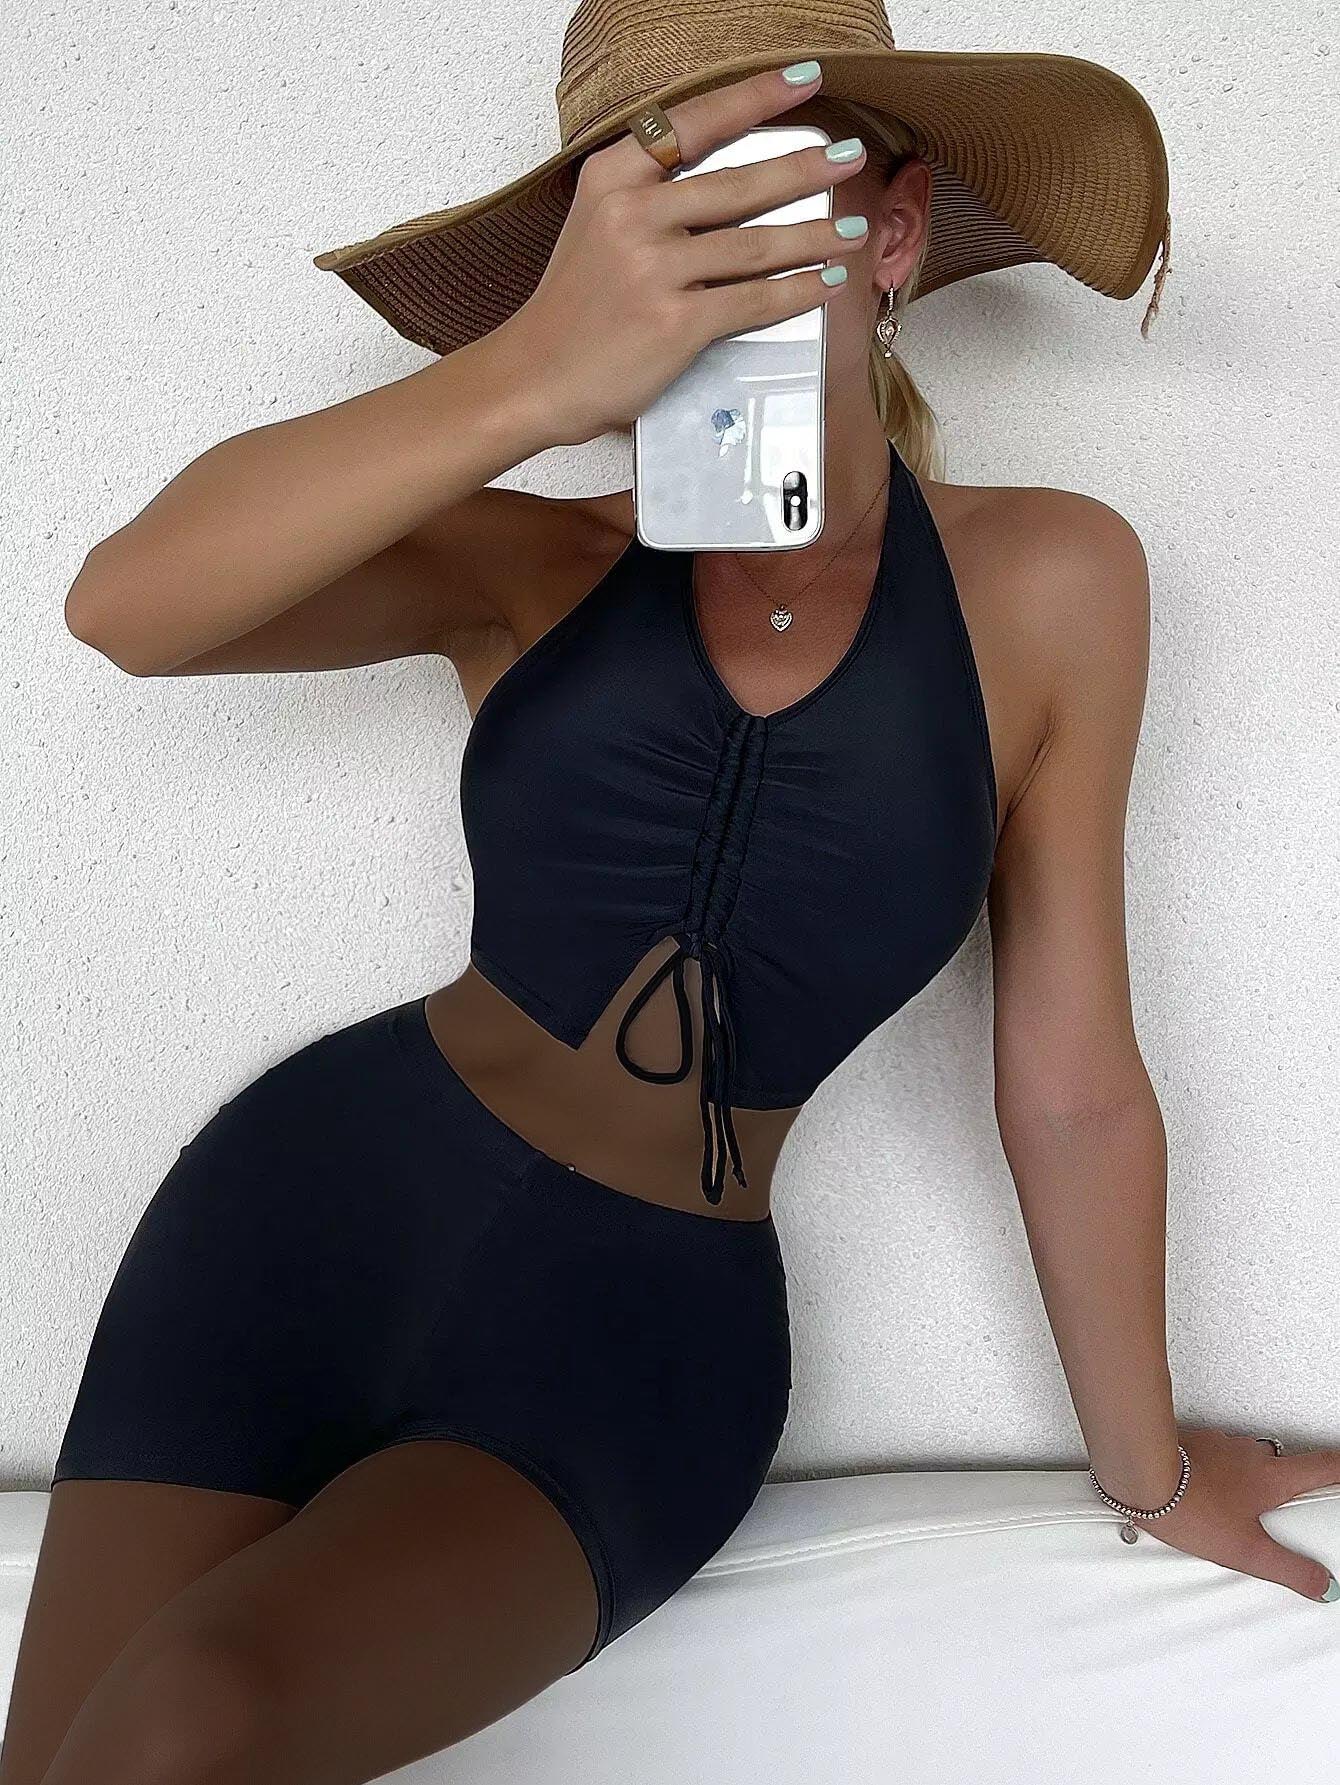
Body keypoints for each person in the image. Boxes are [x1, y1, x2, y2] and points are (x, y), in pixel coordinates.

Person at [6, 4, 1339, 1781]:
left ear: (891, 231)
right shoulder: (538, 561)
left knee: (186, 1719)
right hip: (305, 1214)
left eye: (765, 195)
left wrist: (1148, 1468)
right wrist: (531, 379)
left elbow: (1073, 1083)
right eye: (665, 206)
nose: (717, 258)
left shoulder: (1052, 581)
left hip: (635, 1333)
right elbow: (124, 609)